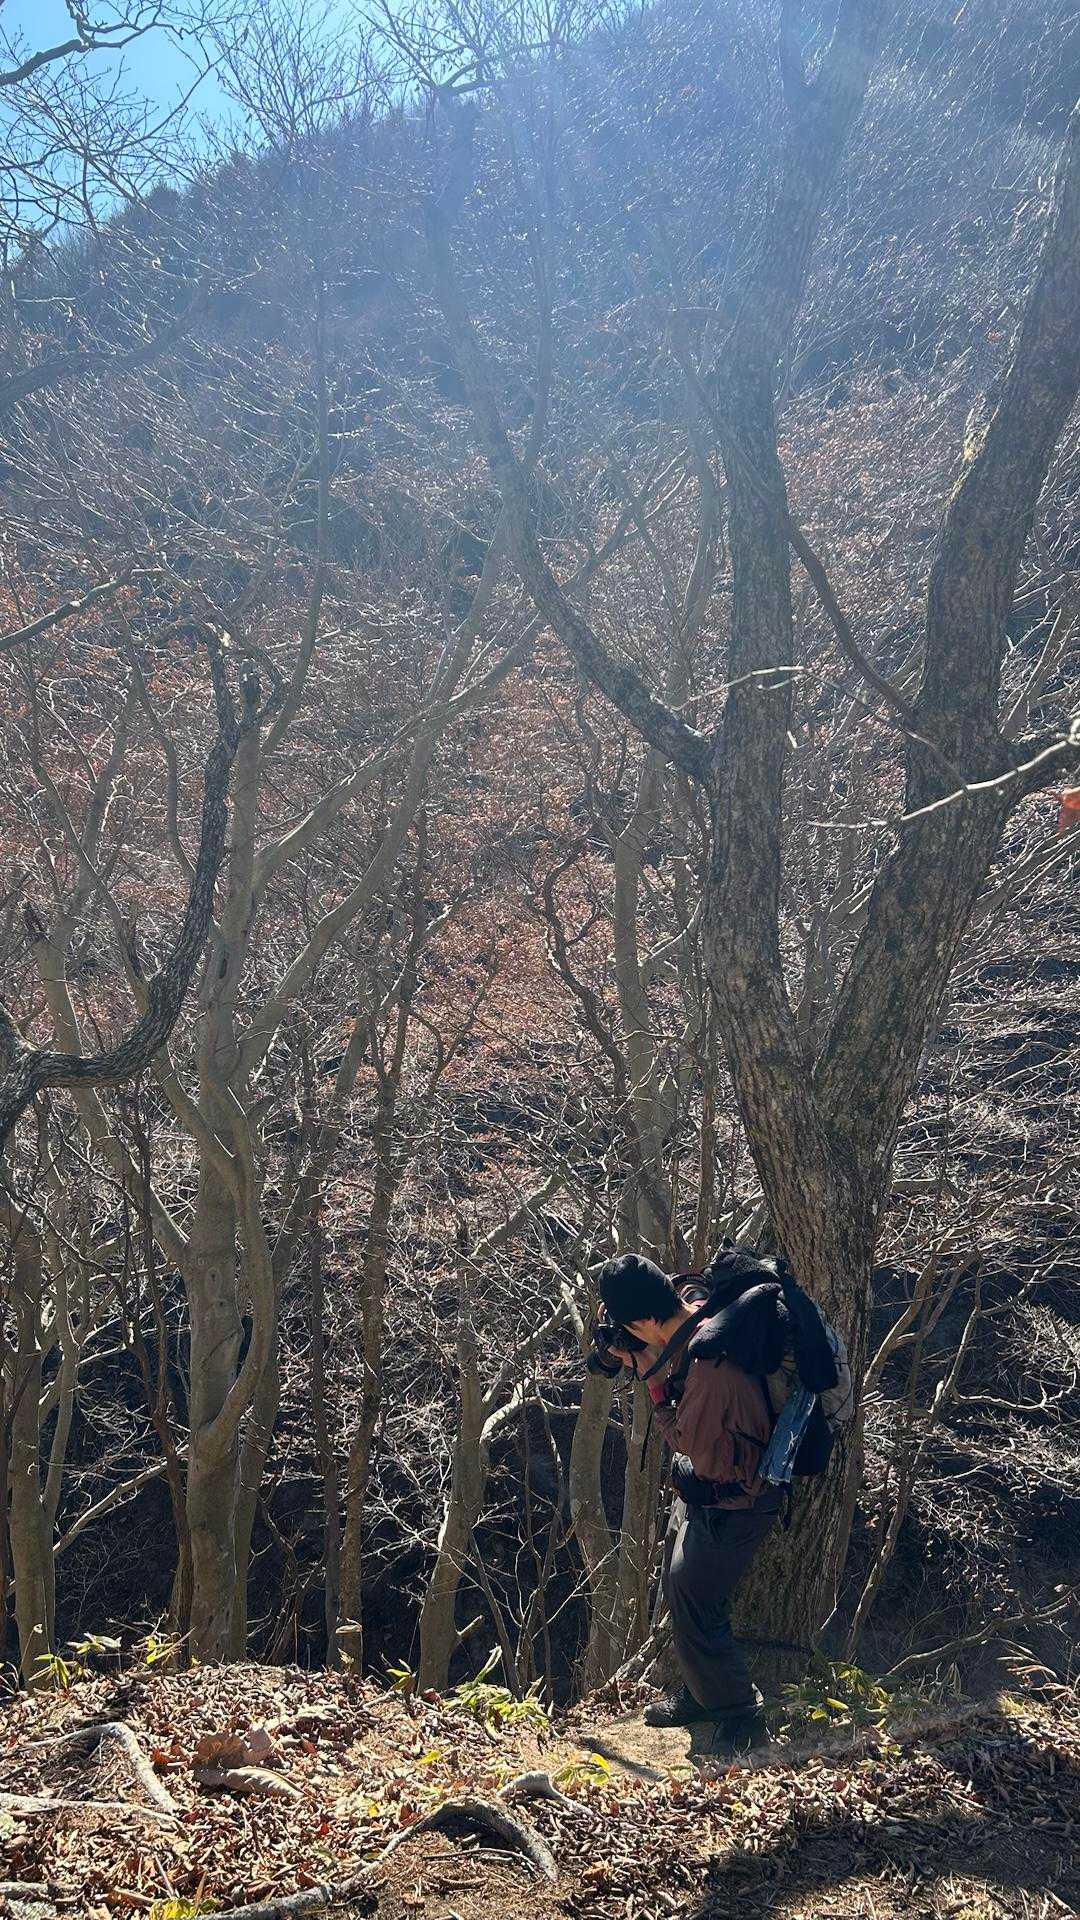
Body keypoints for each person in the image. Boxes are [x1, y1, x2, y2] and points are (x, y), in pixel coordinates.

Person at [599, 1251, 782, 1753]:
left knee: (695, 1599)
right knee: (682, 1589)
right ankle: (704, 1693)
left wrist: (654, 1382)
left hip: (736, 1499)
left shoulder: (708, 1370)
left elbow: (691, 1447)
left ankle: (741, 1719)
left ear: (641, 1323)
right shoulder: (698, 1306)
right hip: (717, 1487)